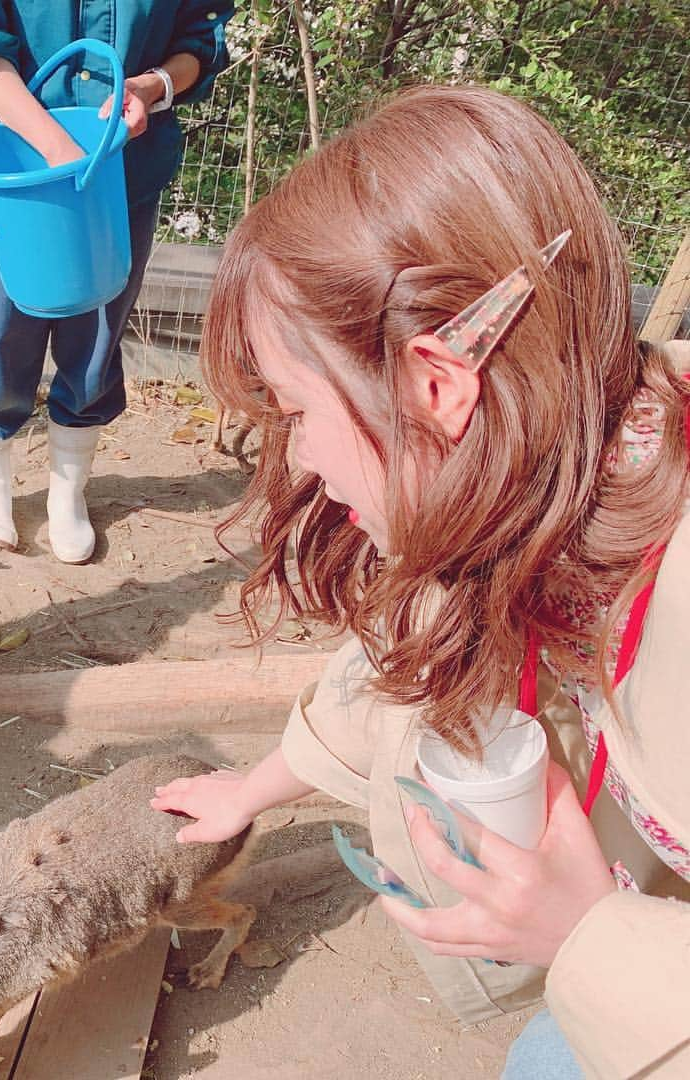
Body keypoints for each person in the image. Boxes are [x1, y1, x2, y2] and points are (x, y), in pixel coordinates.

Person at [150, 83, 690, 1078]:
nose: (300, 459)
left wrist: (599, 943)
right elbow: (410, 657)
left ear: (436, 384)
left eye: (295, 412)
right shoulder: (547, 462)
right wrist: (255, 789)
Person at [0, 2, 233, 563]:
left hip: (121, 176)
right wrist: (66, 158)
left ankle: (69, 491)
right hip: (14, 174)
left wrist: (153, 85)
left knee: (95, 340)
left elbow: (199, 39)